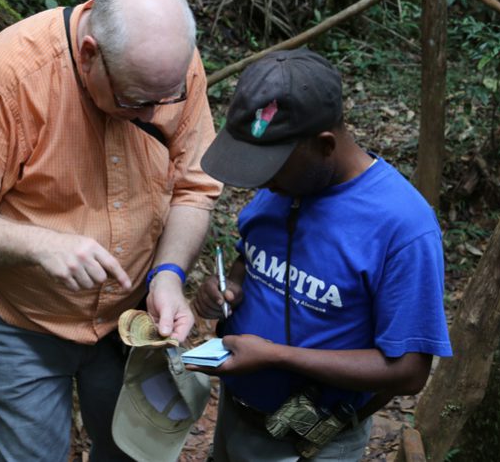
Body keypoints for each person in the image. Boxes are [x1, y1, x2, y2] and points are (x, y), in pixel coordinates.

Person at [0, 0, 222, 461]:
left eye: (165, 98)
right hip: (21, 321)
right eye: (135, 100)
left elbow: (194, 188)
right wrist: (41, 245)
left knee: (130, 449)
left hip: (129, 318)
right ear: (89, 53)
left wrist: (168, 275)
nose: (153, 112)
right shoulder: (7, 76)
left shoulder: (169, 70)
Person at [191, 48, 452, 462]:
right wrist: (233, 285)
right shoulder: (287, 185)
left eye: (272, 170)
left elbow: (409, 370)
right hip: (237, 415)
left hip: (312, 441)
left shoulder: (402, 227)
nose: (265, 184)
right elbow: (252, 255)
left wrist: (276, 356)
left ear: (325, 145)